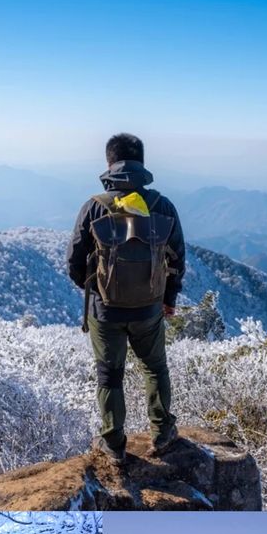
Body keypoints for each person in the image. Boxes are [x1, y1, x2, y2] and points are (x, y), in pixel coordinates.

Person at [67, 133, 186, 464]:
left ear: (109, 164)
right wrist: (168, 298)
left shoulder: (94, 207)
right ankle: (162, 433)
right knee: (155, 367)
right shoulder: (162, 206)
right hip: (149, 307)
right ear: (142, 164)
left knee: (109, 373)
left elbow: (73, 263)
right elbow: (177, 259)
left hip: (105, 312)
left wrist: (98, 290)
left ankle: (114, 443)